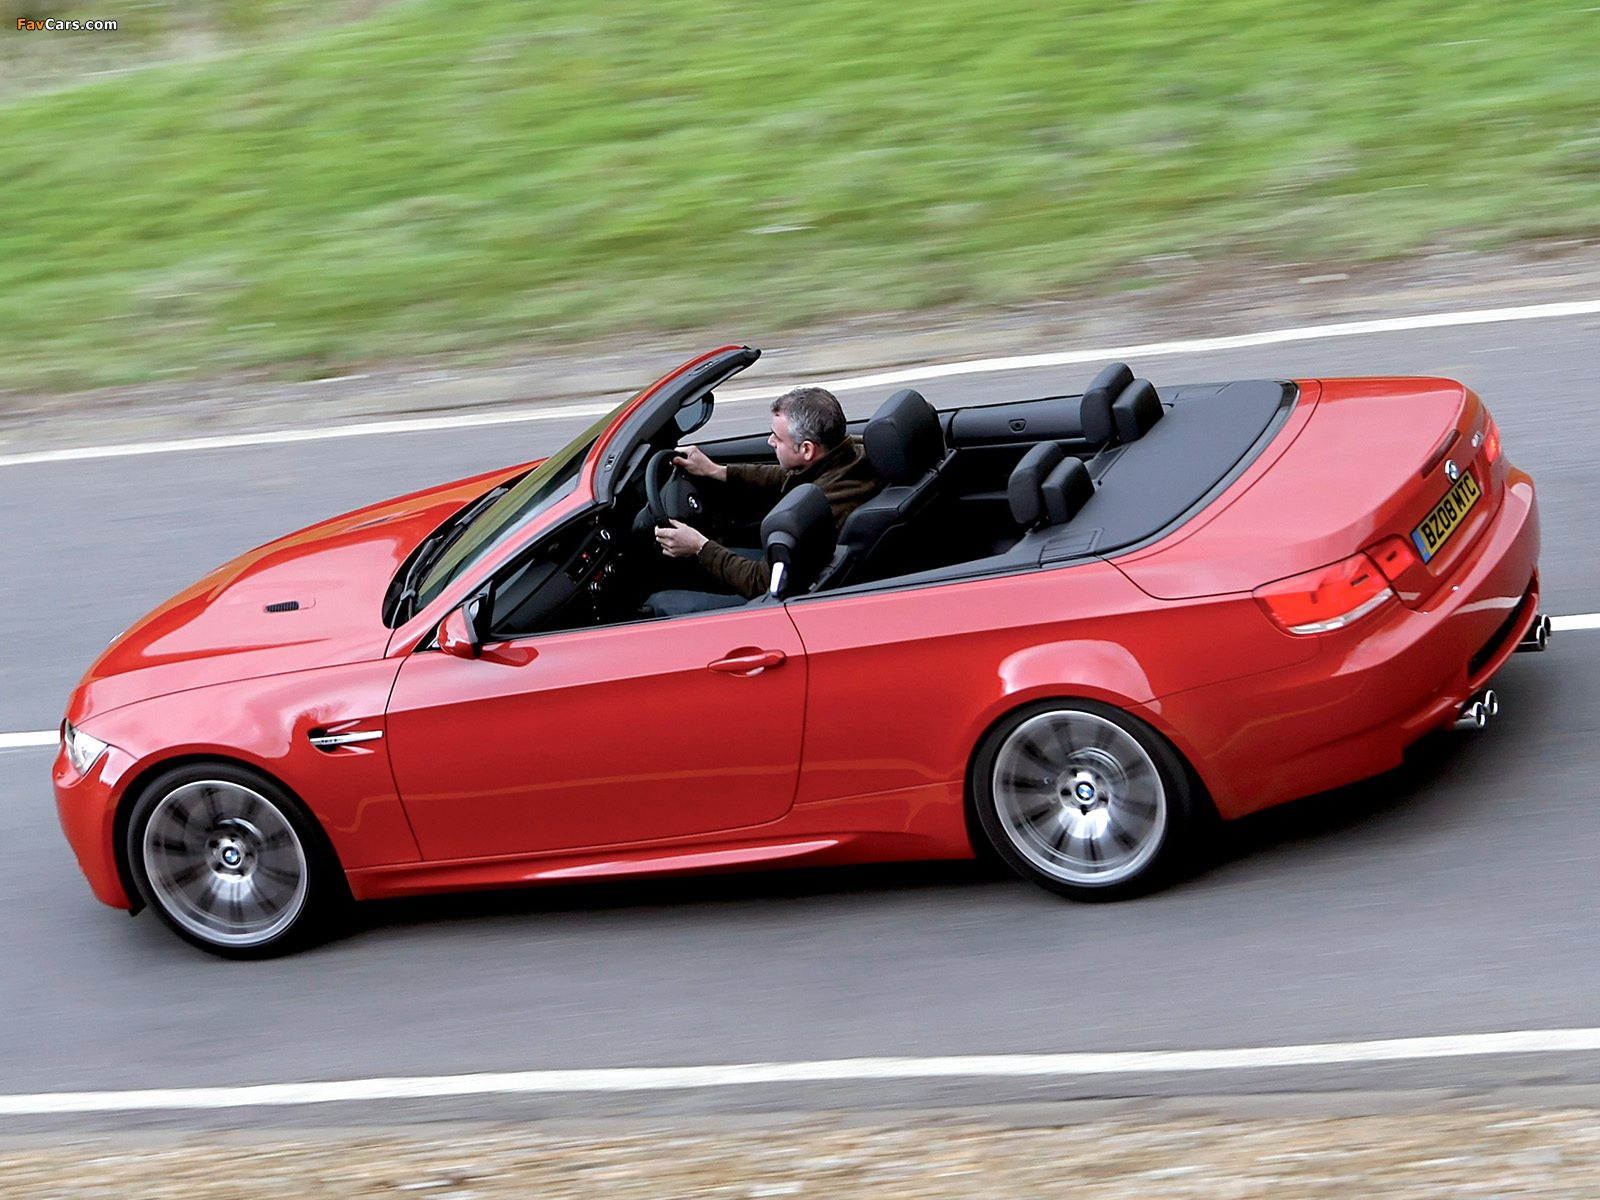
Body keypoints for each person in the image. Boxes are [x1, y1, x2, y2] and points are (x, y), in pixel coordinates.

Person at [649, 386, 881, 613]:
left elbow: (761, 583)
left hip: (784, 599)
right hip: (799, 568)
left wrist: (699, 547)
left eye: (777, 438)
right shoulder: (852, 452)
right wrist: (717, 471)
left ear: (807, 450)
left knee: (660, 603)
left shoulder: (823, 507)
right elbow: (788, 476)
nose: (770, 441)